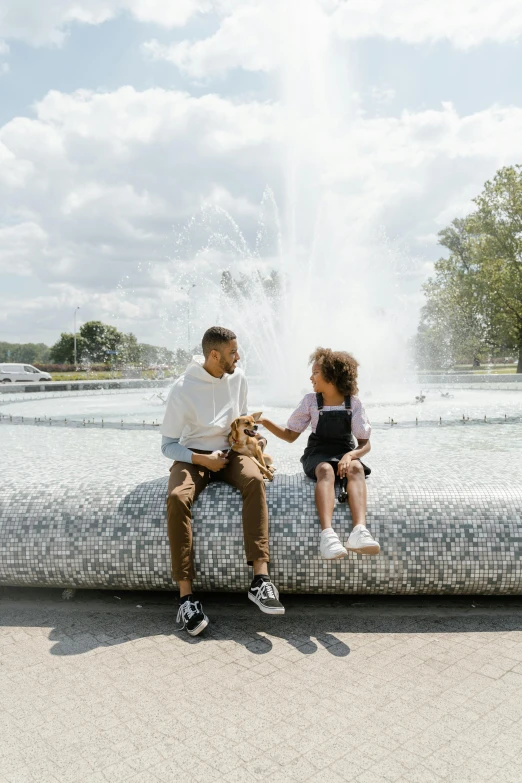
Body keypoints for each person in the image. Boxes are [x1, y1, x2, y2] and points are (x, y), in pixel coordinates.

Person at [161, 326, 285, 636]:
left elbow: (241, 422)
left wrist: (253, 445)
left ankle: (260, 579)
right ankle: (186, 600)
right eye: (232, 352)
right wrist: (202, 460)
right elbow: (168, 444)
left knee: (255, 480)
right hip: (193, 456)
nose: (238, 356)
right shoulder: (182, 388)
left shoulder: (238, 377)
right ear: (214, 355)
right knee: (177, 497)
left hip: (231, 452)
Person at [259, 347, 380, 560]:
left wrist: (349, 456)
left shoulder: (353, 403)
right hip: (318, 453)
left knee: (357, 468)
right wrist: (265, 422)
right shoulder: (311, 401)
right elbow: (289, 436)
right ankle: (327, 536)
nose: (311, 377)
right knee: (325, 470)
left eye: (315, 373)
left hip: (344, 451)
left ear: (331, 376)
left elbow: (365, 444)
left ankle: (360, 531)